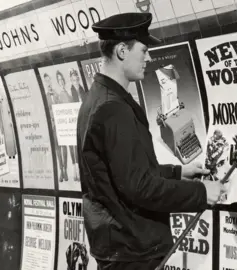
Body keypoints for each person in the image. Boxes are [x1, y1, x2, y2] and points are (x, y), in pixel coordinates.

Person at [76, 12, 226, 270]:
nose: (149, 57)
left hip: (120, 248)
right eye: (143, 50)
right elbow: (140, 187)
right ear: (122, 50)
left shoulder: (98, 99)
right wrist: (201, 193)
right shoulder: (112, 108)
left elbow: (125, 173)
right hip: (131, 253)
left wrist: (178, 172)